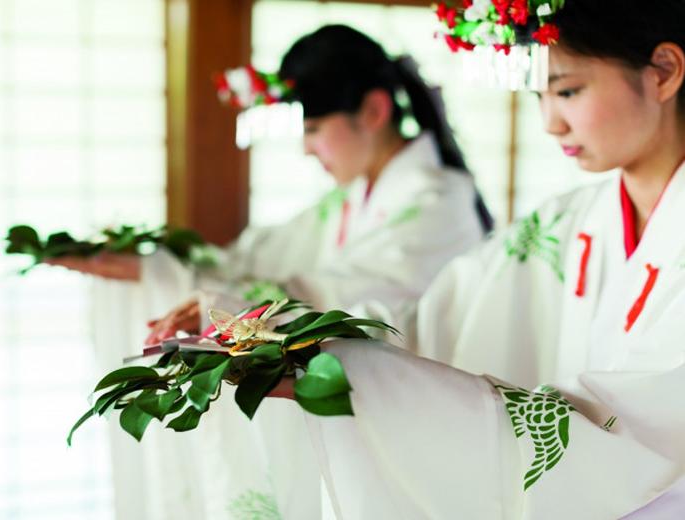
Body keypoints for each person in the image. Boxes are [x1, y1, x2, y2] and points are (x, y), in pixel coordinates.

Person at [51, 25, 492, 519]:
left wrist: (227, 302)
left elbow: (349, 292)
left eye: (313, 129)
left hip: (417, 422)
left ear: (373, 111)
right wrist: (158, 265)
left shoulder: (438, 203)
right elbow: (259, 257)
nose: (306, 150)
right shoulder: (353, 198)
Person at [271, 2, 685, 518]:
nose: (550, 123)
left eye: (569, 91)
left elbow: (644, 424)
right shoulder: (567, 220)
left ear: (664, 72)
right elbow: (437, 320)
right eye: (540, 95)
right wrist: (302, 341)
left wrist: (376, 380)